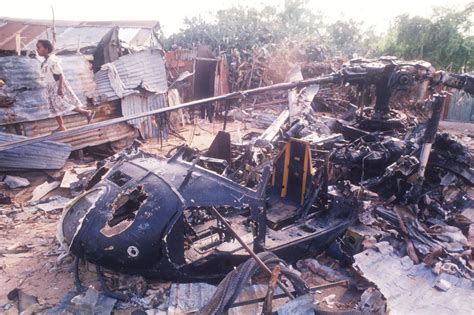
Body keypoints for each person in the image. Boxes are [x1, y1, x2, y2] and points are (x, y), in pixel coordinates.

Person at [36, 39, 95, 132]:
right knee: (54, 107)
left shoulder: (52, 60)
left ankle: (86, 112)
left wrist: (60, 88)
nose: (37, 50)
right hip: (50, 87)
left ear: (46, 49)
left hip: (57, 85)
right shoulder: (44, 63)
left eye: (39, 47)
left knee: (63, 104)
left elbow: (60, 75)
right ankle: (61, 125)